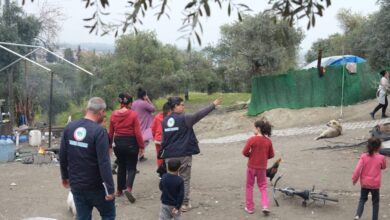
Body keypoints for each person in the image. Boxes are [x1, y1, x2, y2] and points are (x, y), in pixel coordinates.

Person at [161, 96, 222, 212]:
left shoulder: (164, 121)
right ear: (175, 106)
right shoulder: (185, 118)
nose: (184, 106)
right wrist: (213, 105)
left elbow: (163, 140)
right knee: (184, 179)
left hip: (169, 156)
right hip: (183, 155)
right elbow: (199, 114)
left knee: (171, 178)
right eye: (182, 105)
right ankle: (184, 204)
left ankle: (171, 202)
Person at [59, 97, 115, 220]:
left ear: (87, 109)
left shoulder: (70, 127)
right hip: (97, 187)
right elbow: (104, 162)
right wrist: (110, 188)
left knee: (83, 217)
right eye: (104, 112)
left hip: (77, 185)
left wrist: (65, 177)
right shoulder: (99, 131)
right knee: (108, 214)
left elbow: (62, 155)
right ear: (100, 112)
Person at [108, 93, 144, 203]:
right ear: (129, 103)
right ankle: (128, 188)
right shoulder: (133, 115)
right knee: (131, 167)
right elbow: (138, 133)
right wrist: (141, 146)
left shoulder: (114, 114)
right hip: (131, 142)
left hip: (118, 143)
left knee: (121, 166)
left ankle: (119, 190)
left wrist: (110, 145)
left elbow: (111, 132)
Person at [242, 119, 274, 215]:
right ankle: (265, 206)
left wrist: (251, 155)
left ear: (258, 129)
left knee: (249, 187)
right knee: (263, 186)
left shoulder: (252, 139)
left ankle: (250, 208)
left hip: (251, 167)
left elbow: (244, 152)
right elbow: (271, 155)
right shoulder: (268, 141)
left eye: (254, 127)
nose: (253, 129)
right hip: (262, 168)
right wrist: (263, 157)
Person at [352, 137, 387, 220]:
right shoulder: (381, 157)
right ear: (379, 147)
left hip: (365, 183)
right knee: (375, 202)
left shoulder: (363, 156)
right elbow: (384, 167)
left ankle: (357, 215)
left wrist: (354, 179)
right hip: (375, 184)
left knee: (362, 199)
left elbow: (357, 169)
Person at [131, 88, 155, 161]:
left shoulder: (134, 103)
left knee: (139, 140)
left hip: (136, 124)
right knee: (145, 140)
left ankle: (141, 155)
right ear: (144, 96)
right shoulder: (144, 103)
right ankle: (139, 154)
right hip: (144, 125)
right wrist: (148, 100)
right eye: (146, 95)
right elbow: (153, 109)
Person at [152, 102, 171, 176]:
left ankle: (161, 173)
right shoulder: (170, 118)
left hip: (158, 140)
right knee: (168, 156)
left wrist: (154, 136)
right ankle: (167, 171)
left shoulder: (157, 117)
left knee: (159, 156)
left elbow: (153, 128)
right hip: (166, 140)